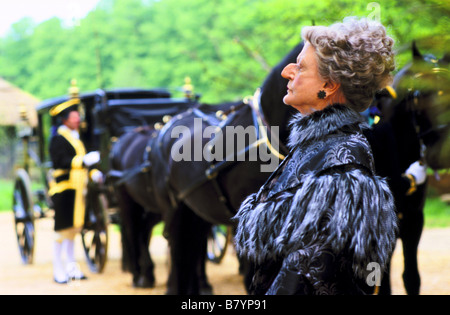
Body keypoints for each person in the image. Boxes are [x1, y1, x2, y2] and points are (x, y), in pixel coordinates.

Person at [234, 17, 399, 295]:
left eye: (300, 66)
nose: (287, 71)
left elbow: (308, 281)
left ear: (330, 85)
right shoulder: (318, 147)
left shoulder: (339, 168)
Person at [48, 85, 102, 284]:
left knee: (73, 231)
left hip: (79, 189)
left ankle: (71, 267)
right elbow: (60, 162)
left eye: (77, 116)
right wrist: (83, 162)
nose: (77, 119)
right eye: (73, 116)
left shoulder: (77, 139)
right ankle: (57, 269)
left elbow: (85, 162)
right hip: (65, 189)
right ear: (64, 120)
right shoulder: (58, 139)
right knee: (61, 232)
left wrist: (95, 173)